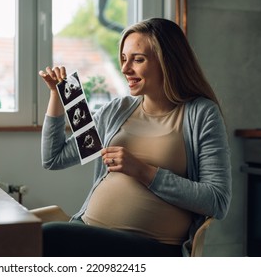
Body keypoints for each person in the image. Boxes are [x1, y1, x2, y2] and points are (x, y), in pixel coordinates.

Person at [38, 18, 232, 257]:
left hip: (151, 248)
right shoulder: (116, 110)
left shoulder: (200, 113)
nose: (125, 68)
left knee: (49, 236)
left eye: (138, 59)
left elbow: (217, 200)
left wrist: (142, 170)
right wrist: (57, 96)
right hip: (86, 230)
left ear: (168, 62)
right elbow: (54, 158)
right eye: (123, 59)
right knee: (18, 233)